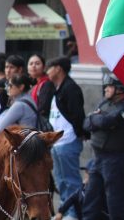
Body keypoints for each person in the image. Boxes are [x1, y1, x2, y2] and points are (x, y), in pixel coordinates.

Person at [82, 76, 124, 220]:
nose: (106, 89)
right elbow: (86, 122)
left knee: (114, 199)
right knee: (91, 195)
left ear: (120, 89)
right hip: (98, 157)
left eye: (110, 86)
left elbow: (107, 121)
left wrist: (96, 119)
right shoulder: (105, 103)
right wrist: (96, 119)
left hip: (115, 159)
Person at [47, 56, 87, 220]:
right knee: (61, 180)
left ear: (58, 68)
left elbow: (78, 116)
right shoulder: (58, 88)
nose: (47, 72)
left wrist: (78, 134)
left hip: (68, 142)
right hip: (57, 143)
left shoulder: (71, 88)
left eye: (50, 67)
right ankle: (65, 210)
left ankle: (76, 214)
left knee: (71, 180)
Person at [0, 74, 37, 139]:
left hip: (24, 140)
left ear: (21, 87)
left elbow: (1, 128)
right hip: (31, 138)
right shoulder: (30, 99)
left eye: (10, 85)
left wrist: (3, 116)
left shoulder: (19, 105)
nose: (8, 88)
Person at [27, 53, 55, 118]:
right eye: (31, 64)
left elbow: (43, 108)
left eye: (37, 63)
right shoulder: (33, 85)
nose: (33, 66)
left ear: (44, 67)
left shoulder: (47, 84)